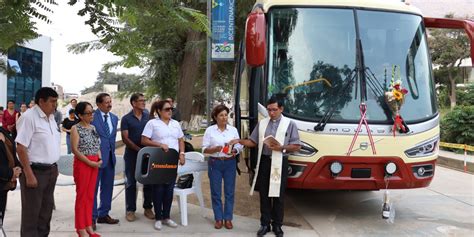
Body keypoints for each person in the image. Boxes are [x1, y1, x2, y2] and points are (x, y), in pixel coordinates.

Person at [231, 98, 301, 237]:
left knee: (278, 196)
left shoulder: (289, 124)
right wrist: (239, 141)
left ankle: (277, 225)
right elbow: (253, 141)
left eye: (274, 109)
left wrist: (281, 147)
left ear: (281, 109)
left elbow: (297, 146)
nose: (271, 112)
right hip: (264, 162)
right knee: (264, 194)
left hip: (280, 161)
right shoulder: (262, 123)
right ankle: (265, 224)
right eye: (269, 109)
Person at [15, 87, 61, 236]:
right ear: (41, 101)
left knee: (45, 213)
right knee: (31, 215)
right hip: (35, 172)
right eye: (52, 102)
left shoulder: (51, 118)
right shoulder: (29, 117)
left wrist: (54, 166)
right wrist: (28, 174)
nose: (55, 105)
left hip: (50, 171)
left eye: (56, 102)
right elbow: (21, 148)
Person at [141, 100, 185, 231]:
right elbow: (143, 140)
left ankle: (167, 216)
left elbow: (181, 140)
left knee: (169, 189)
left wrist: (182, 153)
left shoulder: (176, 124)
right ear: (159, 111)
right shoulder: (152, 123)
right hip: (158, 159)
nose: (170, 111)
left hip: (172, 160)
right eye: (167, 109)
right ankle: (158, 218)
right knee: (158, 189)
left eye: (171, 109)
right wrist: (159, 145)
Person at [202, 104, 243, 230]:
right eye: (221, 115)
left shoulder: (233, 130)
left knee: (229, 192)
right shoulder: (210, 130)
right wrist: (213, 149)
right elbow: (204, 149)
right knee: (216, 192)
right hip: (215, 162)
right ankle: (218, 218)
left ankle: (228, 219)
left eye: (226, 115)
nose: (224, 118)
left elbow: (240, 145)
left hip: (230, 163)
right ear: (215, 117)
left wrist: (235, 151)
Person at [70, 102, 102, 237]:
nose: (91, 115)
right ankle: (80, 228)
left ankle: (88, 225)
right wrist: (90, 162)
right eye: (88, 113)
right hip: (83, 163)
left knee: (90, 196)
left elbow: (96, 144)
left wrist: (99, 158)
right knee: (82, 196)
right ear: (80, 115)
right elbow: (75, 150)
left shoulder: (93, 127)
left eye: (92, 112)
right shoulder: (75, 128)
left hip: (94, 163)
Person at [121, 93, 154, 222]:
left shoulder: (149, 117)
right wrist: (139, 150)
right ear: (133, 103)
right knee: (131, 183)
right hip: (132, 155)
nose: (144, 102)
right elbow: (125, 138)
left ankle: (147, 208)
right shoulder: (126, 118)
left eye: (144, 100)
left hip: (148, 154)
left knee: (148, 181)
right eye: (141, 101)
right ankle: (130, 210)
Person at [91, 93, 119, 229]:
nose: (110, 104)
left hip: (110, 158)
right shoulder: (91, 117)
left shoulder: (114, 118)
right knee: (93, 189)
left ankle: (103, 214)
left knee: (107, 188)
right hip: (95, 159)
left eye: (110, 101)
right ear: (98, 104)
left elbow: (110, 138)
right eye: (106, 102)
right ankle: (92, 217)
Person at [0, 127, 22, 224]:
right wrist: (10, 173)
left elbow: (11, 152)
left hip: (4, 185)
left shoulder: (2, 131)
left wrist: (18, 168)